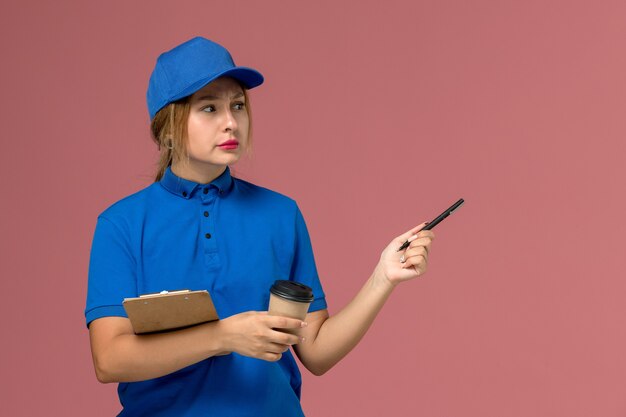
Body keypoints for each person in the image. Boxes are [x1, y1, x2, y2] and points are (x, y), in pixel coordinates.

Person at [85, 36, 435, 417]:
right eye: (209, 108)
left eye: (237, 105)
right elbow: (109, 359)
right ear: (168, 126)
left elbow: (315, 351)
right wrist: (223, 337)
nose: (231, 122)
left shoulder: (280, 214)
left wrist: (382, 278)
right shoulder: (121, 225)